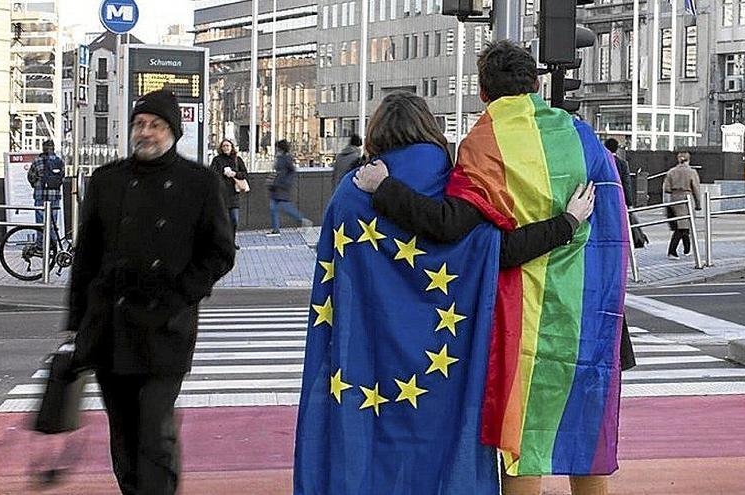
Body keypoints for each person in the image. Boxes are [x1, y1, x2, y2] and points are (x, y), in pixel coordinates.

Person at [352, 41, 629, 495]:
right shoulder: (582, 136)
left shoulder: (484, 144)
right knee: (587, 429)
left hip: (522, 320)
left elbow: (461, 233)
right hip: (590, 317)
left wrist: (385, 189)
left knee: (520, 440)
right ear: (537, 85)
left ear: (482, 92)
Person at [294, 91, 595, 495]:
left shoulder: (352, 192)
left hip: (368, 364)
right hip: (446, 368)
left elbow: (333, 280)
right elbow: (499, 252)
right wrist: (566, 224)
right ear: (430, 131)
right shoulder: (456, 189)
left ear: (375, 135)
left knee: (371, 449)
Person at [66, 89, 235, 495]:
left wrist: (181, 294)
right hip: (111, 327)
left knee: (155, 433)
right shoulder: (106, 181)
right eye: (140, 124)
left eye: (155, 125)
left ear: (173, 132)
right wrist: (76, 325)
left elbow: (220, 252)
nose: (146, 132)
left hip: (165, 328)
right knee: (123, 434)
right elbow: (85, 259)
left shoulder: (200, 183)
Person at [266, 139, 313, 236]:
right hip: (277, 186)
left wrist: (285, 182)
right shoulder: (281, 157)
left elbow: (291, 171)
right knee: (274, 207)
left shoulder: (285, 158)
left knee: (285, 207)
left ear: (280, 148)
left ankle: (303, 220)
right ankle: (276, 229)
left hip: (281, 187)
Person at [210, 139, 248, 250]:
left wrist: (234, 173)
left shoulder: (237, 160)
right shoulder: (217, 160)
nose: (226, 148)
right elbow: (212, 174)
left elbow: (245, 174)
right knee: (222, 220)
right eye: (224, 146)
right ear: (221, 148)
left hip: (233, 194)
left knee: (234, 220)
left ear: (232, 147)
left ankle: (232, 241)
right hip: (221, 194)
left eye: (228, 146)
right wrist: (223, 173)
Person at [663, 151, 701, 260]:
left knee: (683, 225)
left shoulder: (671, 172)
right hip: (686, 198)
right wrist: (698, 204)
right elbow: (696, 189)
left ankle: (687, 249)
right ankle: (672, 251)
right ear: (688, 160)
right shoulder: (691, 172)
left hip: (674, 198)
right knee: (682, 227)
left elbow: (666, 188)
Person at [27, 139, 65, 247]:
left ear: (43, 148)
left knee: (41, 223)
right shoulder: (60, 162)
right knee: (53, 222)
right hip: (55, 196)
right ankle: (54, 245)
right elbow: (62, 178)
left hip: (40, 195)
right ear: (53, 148)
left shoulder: (37, 161)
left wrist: (36, 185)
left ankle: (40, 245)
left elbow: (30, 177)